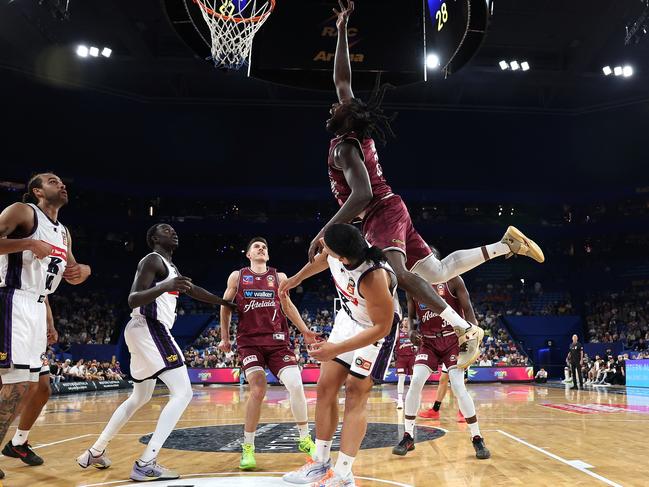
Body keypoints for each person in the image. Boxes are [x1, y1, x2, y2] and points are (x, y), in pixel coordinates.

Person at [307, 0, 545, 371]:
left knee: (400, 276)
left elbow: (363, 194)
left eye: (335, 109)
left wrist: (324, 231)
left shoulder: (346, 150)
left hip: (380, 212)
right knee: (435, 273)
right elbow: (342, 80)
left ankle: (464, 328)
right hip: (391, 207)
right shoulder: (350, 124)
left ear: (345, 119)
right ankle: (505, 244)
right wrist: (340, 31)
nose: (331, 108)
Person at [77, 224, 234, 481]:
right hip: (150, 327)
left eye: (173, 229)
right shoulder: (152, 260)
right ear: (153, 238)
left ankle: (95, 450)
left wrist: (225, 302)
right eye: (165, 229)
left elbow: (193, 291)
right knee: (183, 393)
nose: (172, 232)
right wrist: (166, 285)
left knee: (139, 397)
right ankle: (146, 462)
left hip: (141, 331)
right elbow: (133, 298)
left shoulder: (172, 268)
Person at [281, 223, 401, 487]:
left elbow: (381, 327)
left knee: (355, 393)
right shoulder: (338, 246)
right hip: (348, 319)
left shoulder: (374, 277)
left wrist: (334, 349)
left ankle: (344, 472)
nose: (325, 249)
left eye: (330, 251)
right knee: (325, 387)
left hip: (376, 330)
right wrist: (296, 279)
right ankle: (319, 462)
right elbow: (322, 261)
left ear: (344, 258)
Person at [0, 172, 91, 479]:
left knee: (41, 387)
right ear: (37, 191)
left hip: (37, 306)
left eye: (63, 181)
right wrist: (27, 242)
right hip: (11, 300)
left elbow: (67, 272)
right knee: (14, 385)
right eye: (53, 181)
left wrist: (83, 271)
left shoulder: (63, 233)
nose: (62, 183)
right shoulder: (22, 211)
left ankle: (18, 443)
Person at [218, 237, 318, 471]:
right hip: (249, 343)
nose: (261, 248)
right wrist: (224, 337)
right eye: (257, 246)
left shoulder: (279, 277)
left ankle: (304, 438)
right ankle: (248, 448)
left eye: (265, 247)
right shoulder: (238, 276)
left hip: (277, 343)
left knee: (295, 385)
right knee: (258, 389)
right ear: (248, 254)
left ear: (268, 256)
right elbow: (225, 306)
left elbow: (288, 306)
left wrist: (304, 330)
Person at [393, 277, 489, 459]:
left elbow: (468, 309)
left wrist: (472, 337)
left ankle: (477, 437)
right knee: (415, 383)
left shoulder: (453, 280)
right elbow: (411, 316)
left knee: (459, 387)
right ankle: (408, 436)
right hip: (428, 342)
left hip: (453, 340)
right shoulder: (413, 286)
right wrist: (412, 331)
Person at [394, 317, 416, 410]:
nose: (406, 321)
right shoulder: (398, 332)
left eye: (408, 320)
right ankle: (400, 400)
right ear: (402, 322)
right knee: (401, 378)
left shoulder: (413, 333)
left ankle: (412, 399)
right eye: (405, 320)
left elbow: (419, 345)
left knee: (413, 379)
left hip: (412, 357)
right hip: (401, 358)